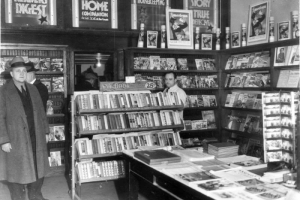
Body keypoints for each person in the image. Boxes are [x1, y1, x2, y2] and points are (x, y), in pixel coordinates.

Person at [0, 56, 50, 200]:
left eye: (23, 71)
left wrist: (46, 131)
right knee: (15, 172)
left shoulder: (33, 89)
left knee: (37, 167)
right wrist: (4, 140)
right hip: (15, 139)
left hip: (35, 135)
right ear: (11, 73)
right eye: (17, 71)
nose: (21, 73)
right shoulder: (3, 92)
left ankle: (35, 196)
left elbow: (41, 111)